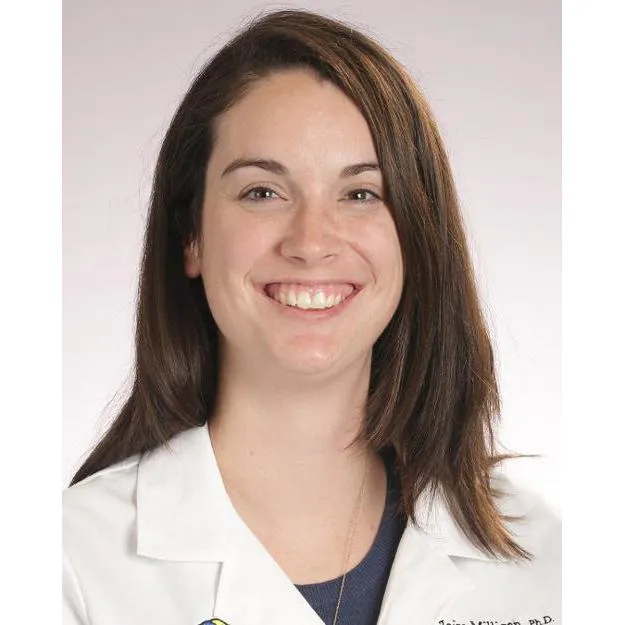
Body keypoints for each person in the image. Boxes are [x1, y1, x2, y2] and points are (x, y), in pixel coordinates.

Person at [62, 9, 560, 625]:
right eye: (262, 192)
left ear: (417, 237)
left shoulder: (547, 559)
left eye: (361, 194)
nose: (311, 241)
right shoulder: (70, 564)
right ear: (191, 235)